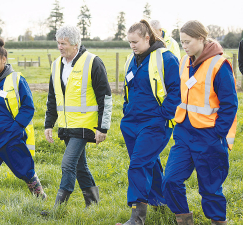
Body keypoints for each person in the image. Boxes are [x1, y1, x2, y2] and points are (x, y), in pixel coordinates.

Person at [163, 20, 238, 225]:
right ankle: (184, 220)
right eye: (182, 42)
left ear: (201, 39)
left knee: (210, 187)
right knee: (170, 180)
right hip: (184, 133)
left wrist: (218, 133)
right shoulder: (183, 62)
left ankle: (217, 222)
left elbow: (230, 104)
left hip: (209, 135)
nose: (184, 46)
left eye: (187, 42)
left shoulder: (219, 64)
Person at [116, 19, 180, 225]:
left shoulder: (166, 58)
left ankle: (137, 217)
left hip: (154, 123)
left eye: (135, 42)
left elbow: (177, 90)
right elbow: (127, 88)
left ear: (147, 37)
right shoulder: (130, 60)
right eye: (129, 42)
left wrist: (163, 114)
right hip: (131, 122)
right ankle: (161, 202)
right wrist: (126, 109)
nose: (132, 46)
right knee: (148, 163)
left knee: (138, 164)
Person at [43, 25, 112, 211]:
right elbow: (53, 97)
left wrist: (102, 127)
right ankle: (93, 205)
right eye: (58, 43)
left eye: (63, 43)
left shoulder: (93, 62)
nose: (59, 47)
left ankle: (57, 208)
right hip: (66, 126)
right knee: (80, 166)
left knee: (68, 163)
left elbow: (104, 97)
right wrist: (48, 124)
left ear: (75, 44)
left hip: (85, 125)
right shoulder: (56, 64)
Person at [0, 37, 47, 200]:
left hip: (10, 134)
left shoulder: (17, 79)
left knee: (24, 167)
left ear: (4, 59)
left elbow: (28, 107)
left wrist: (16, 128)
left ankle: (40, 196)